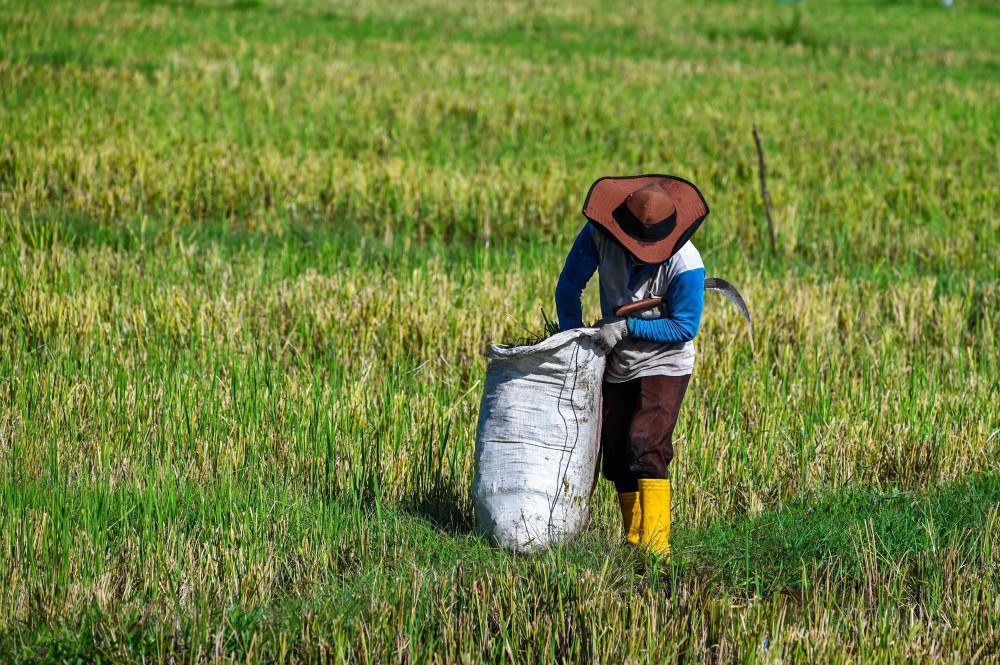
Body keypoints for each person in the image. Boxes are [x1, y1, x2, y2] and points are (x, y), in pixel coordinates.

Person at [554, 175, 709, 557]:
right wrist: (576, 340)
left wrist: (626, 326)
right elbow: (568, 288)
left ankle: (656, 552)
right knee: (617, 452)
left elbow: (685, 326)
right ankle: (633, 540)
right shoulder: (597, 236)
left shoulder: (686, 264)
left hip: (666, 359)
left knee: (646, 444)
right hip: (618, 358)